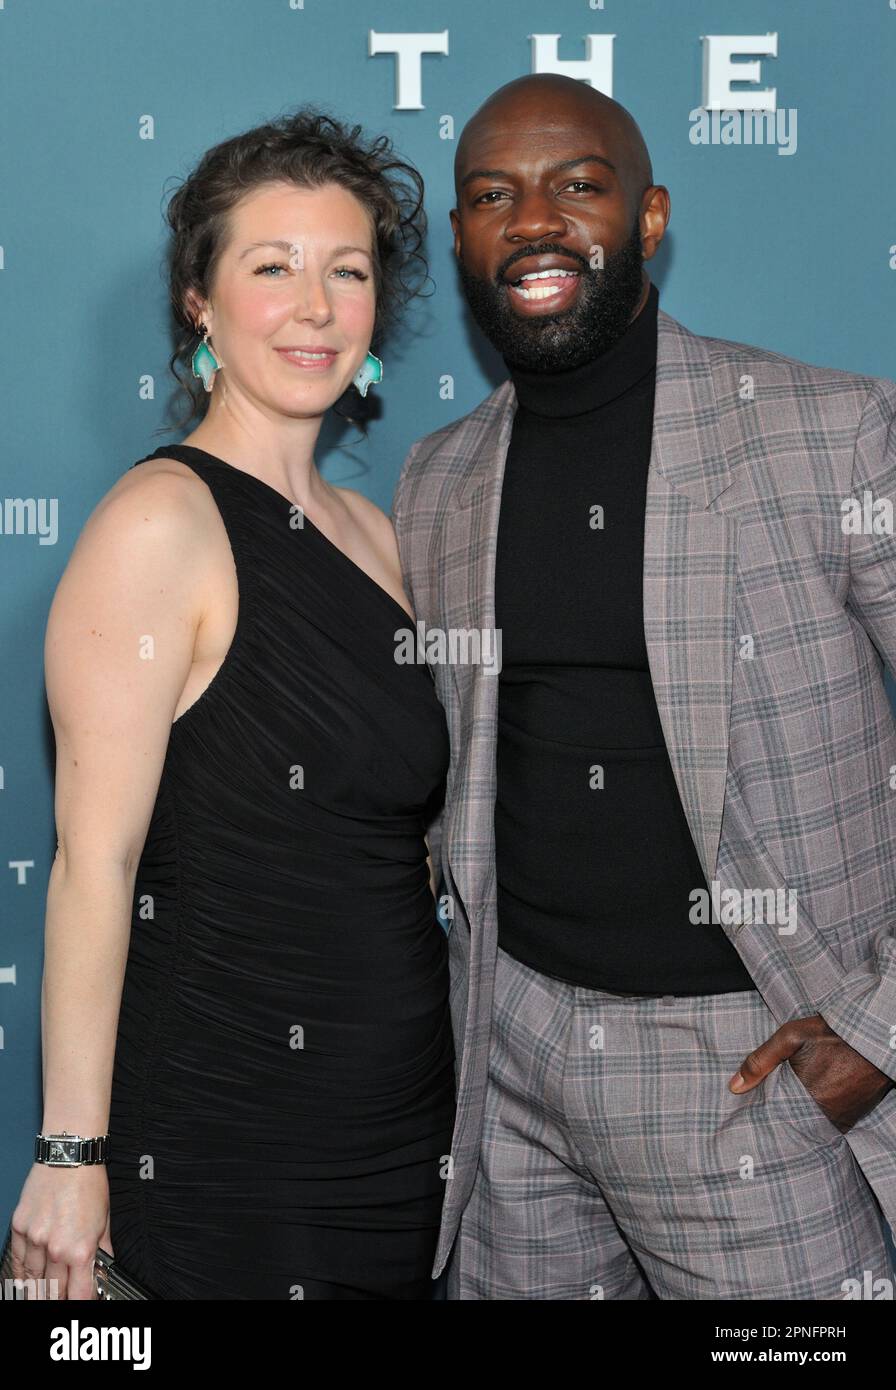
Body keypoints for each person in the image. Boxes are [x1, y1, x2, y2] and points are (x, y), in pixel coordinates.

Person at [392, 73, 896, 1299]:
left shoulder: (824, 430)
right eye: (491, 196)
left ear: (649, 215)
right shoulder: (436, 478)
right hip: (510, 1056)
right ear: (461, 238)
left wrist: (879, 1034)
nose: (533, 221)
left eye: (576, 185)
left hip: (747, 1066)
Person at [10, 108, 455, 1300]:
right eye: (272, 267)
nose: (313, 306)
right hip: (217, 1118)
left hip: (395, 1120)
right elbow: (93, 863)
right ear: (199, 302)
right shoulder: (158, 522)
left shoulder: (383, 535)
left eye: (345, 270)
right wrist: (69, 1154)